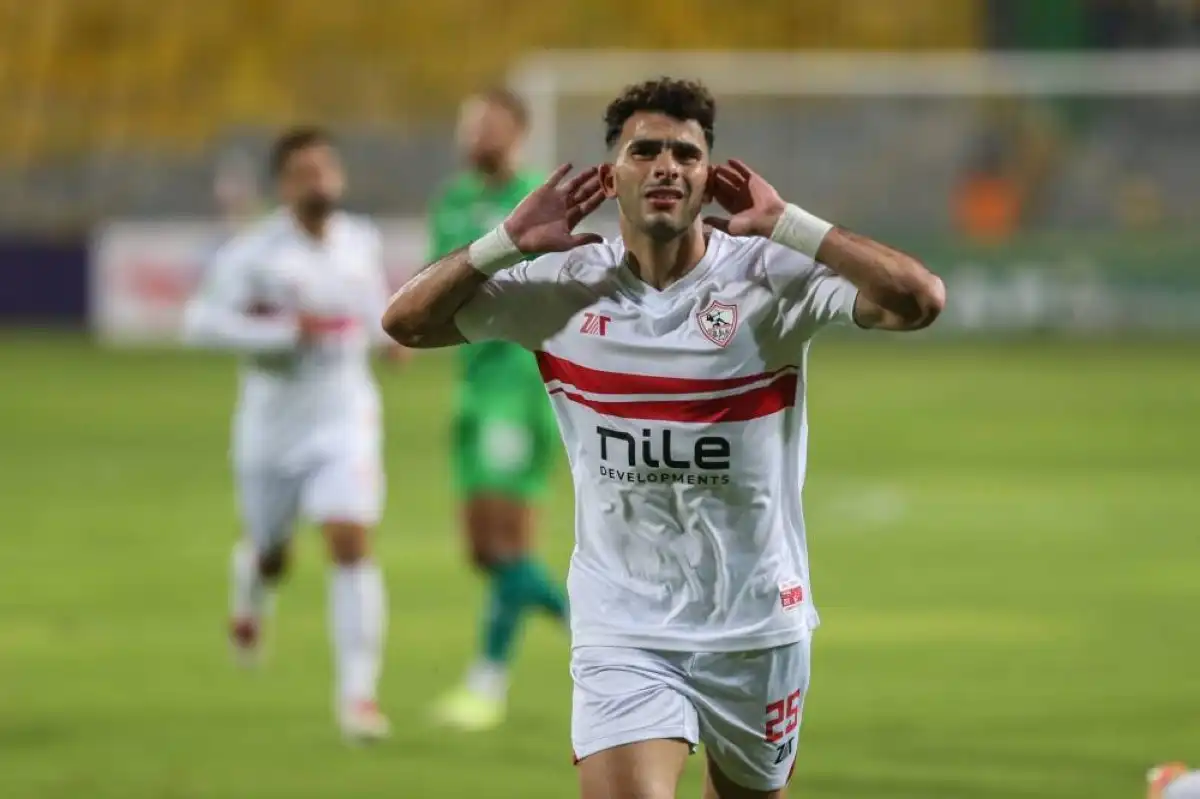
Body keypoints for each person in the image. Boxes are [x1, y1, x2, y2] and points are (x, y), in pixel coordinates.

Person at [382, 77, 946, 797]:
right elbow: (405, 323)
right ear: (610, 176)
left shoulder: (769, 278)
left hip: (756, 624)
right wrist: (506, 243)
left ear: (709, 179)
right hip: (623, 624)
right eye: (645, 150)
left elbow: (919, 299)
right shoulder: (561, 287)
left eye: (686, 154)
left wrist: (790, 224)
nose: (666, 167)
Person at [183, 127, 394, 742]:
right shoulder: (253, 254)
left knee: (350, 541)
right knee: (273, 554)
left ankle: (358, 697)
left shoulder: (360, 240)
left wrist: (392, 339)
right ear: (283, 185)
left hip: (345, 420)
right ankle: (251, 589)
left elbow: (375, 309)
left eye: (326, 168)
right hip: (272, 431)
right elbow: (199, 324)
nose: (318, 180)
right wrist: (279, 333)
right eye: (304, 172)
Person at [425, 88, 568, 732]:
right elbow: (436, 280)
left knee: (510, 542)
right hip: (471, 386)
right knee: (484, 552)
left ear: (518, 131)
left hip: (519, 384)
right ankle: (594, 626)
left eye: (488, 123)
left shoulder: (538, 199)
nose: (475, 133)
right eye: (469, 122)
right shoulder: (453, 202)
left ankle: (487, 683)